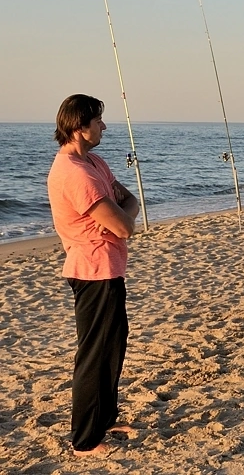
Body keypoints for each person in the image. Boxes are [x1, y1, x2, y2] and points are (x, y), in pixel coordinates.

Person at [47, 95, 140, 457]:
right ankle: (84, 440)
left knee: (112, 348)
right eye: (98, 121)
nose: (103, 126)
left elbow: (129, 201)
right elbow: (125, 226)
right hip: (92, 270)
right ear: (78, 127)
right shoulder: (76, 173)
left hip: (109, 267)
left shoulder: (94, 162)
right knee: (94, 354)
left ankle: (105, 419)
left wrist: (122, 213)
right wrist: (122, 216)